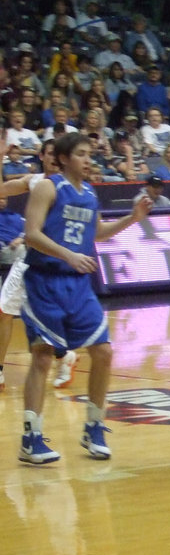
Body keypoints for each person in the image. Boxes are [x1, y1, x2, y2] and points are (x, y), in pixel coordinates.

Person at [18, 132, 153, 464]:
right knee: (42, 356)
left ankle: (94, 426)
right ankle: (30, 436)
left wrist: (132, 219)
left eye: (90, 154)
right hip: (45, 280)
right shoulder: (48, 187)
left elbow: (97, 234)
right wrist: (67, 255)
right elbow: (31, 234)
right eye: (81, 154)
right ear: (64, 159)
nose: (89, 159)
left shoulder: (90, 193)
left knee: (103, 351)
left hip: (77, 283)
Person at [0, 140, 79, 392]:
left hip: (54, 259)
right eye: (50, 153)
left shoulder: (72, 188)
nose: (55, 158)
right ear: (42, 157)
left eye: (59, 154)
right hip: (29, 258)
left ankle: (64, 354)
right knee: (4, 311)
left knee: (45, 317)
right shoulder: (34, 181)